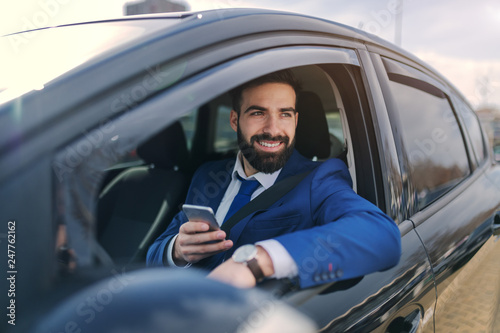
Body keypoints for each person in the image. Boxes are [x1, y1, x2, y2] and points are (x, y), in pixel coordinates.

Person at [147, 69, 401, 289]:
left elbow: (382, 235)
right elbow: (155, 252)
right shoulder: (207, 175)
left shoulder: (320, 179)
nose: (273, 129)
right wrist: (178, 249)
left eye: (285, 114)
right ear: (235, 120)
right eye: (258, 113)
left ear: (296, 120)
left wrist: (258, 261)